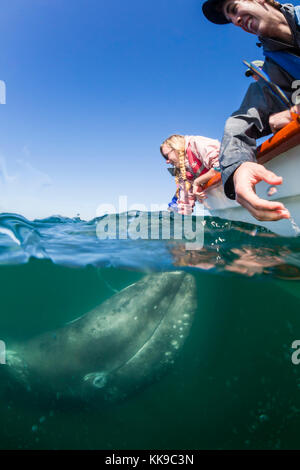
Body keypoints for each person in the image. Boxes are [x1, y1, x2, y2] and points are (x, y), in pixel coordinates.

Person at [202, 0, 300, 222]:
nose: (236, 21)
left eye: (234, 8)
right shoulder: (274, 70)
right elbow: (240, 123)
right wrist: (237, 168)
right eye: (231, 20)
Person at [160, 134, 221, 214]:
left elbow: (222, 165)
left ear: (176, 147)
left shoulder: (197, 143)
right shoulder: (183, 172)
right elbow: (185, 204)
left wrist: (197, 182)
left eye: (167, 156)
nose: (167, 161)